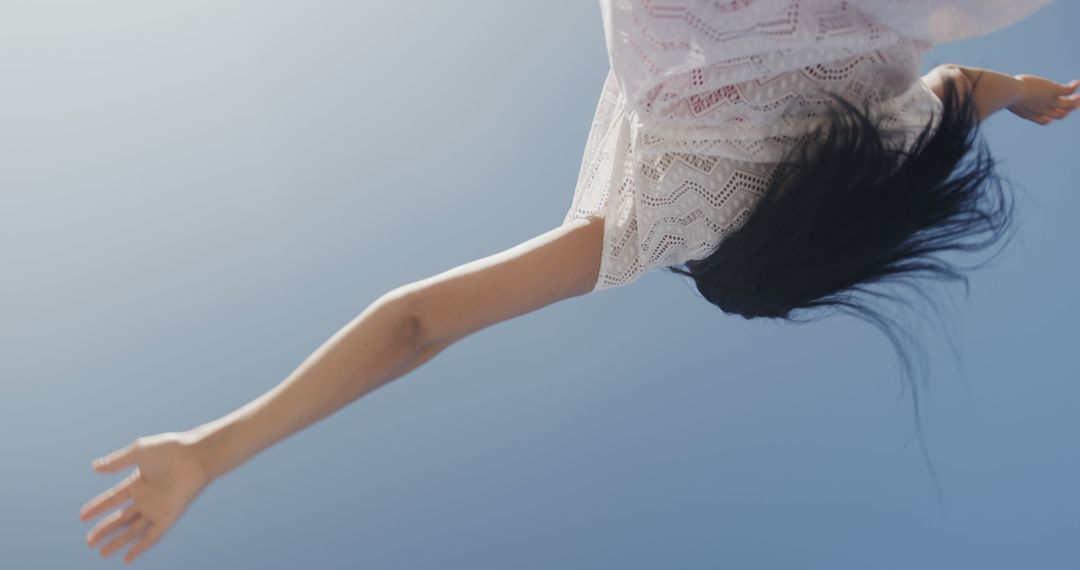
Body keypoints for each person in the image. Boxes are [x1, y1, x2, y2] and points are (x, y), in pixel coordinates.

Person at [79, 1, 1077, 564]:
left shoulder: (878, 142)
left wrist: (1028, 98)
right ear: (727, 254)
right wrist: (212, 451)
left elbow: (964, 94)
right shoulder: (671, 223)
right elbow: (419, 323)